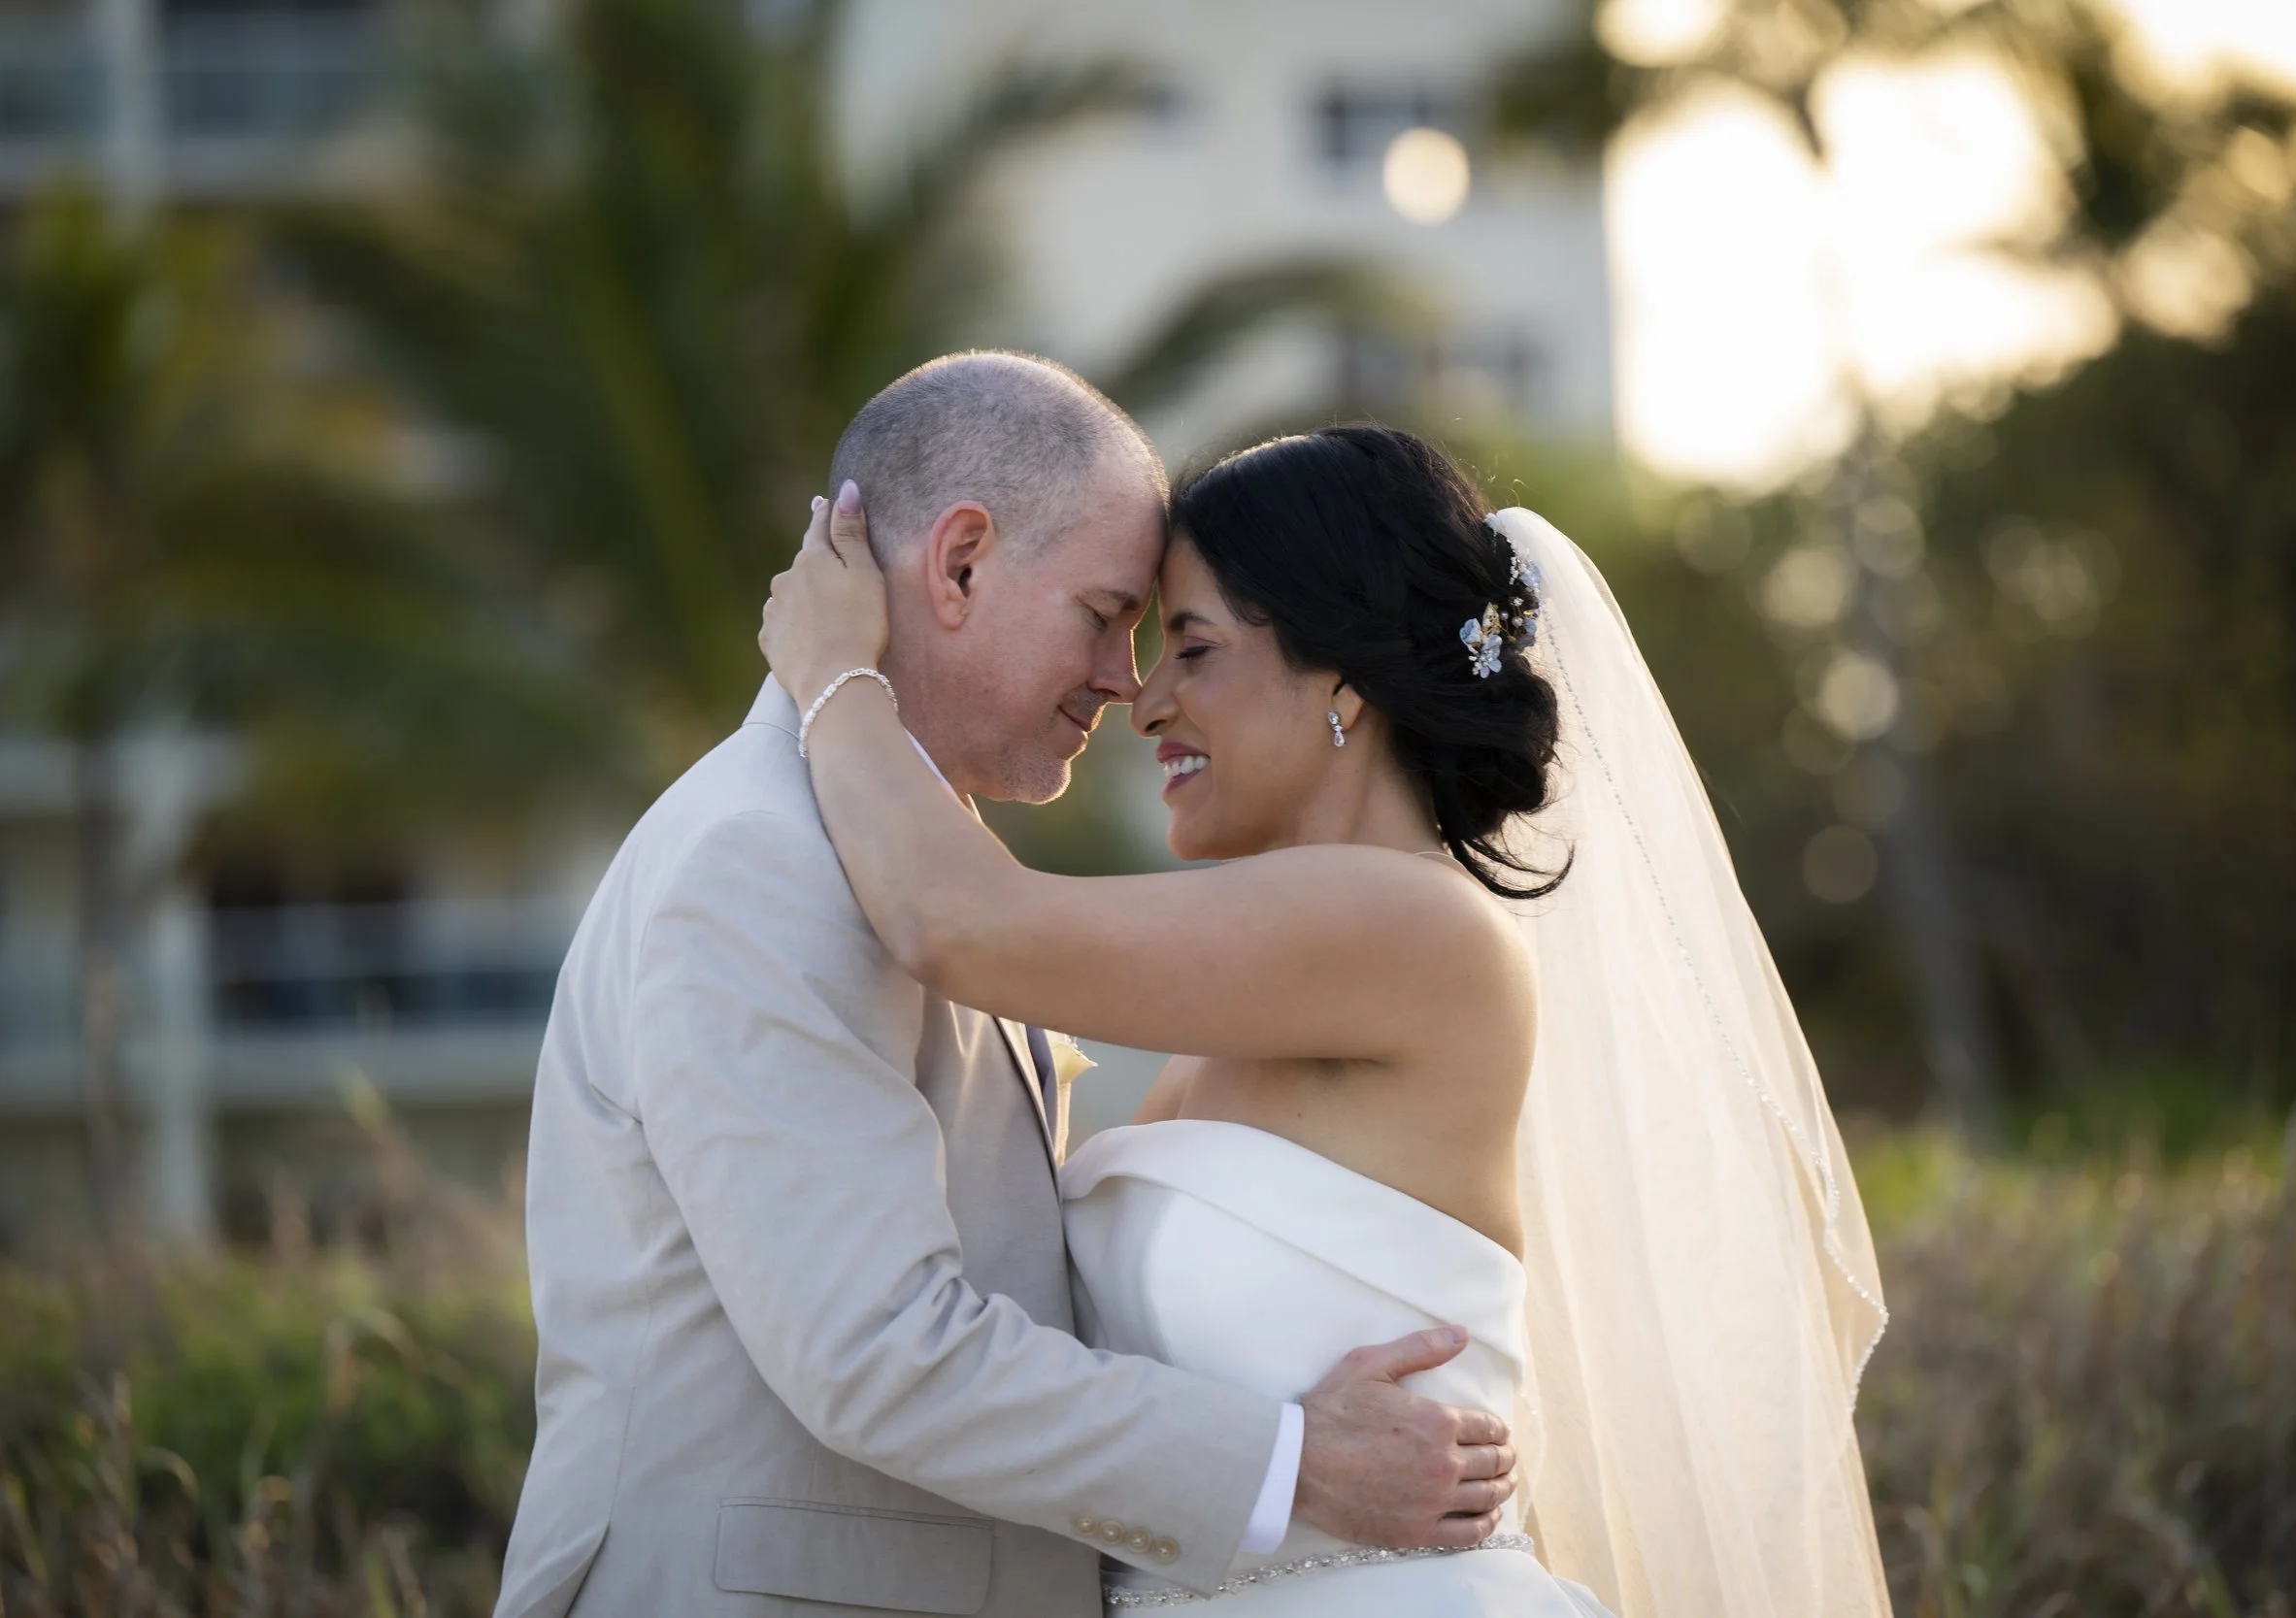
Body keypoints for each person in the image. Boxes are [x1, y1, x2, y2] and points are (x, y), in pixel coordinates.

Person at [762, 423, 1896, 1615]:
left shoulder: (1416, 930)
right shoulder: (1254, 985)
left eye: (1192, 648)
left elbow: (958, 923)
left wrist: (837, 674)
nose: (1144, 700)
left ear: (1345, 678)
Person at [494, 357, 1516, 1618]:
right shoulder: (766, 856)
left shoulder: (946, 875)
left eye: (1174, 639)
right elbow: (875, 1353)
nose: (1126, 682)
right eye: (1107, 614)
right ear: (961, 561)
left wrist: (837, 681)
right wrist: (1293, 1460)